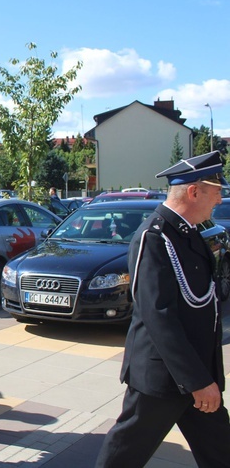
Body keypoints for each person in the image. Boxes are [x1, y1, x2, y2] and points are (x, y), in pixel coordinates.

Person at [96, 151, 230, 468]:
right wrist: (197, 380)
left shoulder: (191, 232)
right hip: (163, 378)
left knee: (221, 453)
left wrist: (203, 375)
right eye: (216, 191)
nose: (220, 199)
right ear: (195, 191)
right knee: (122, 457)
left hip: (196, 372)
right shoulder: (154, 238)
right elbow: (159, 317)